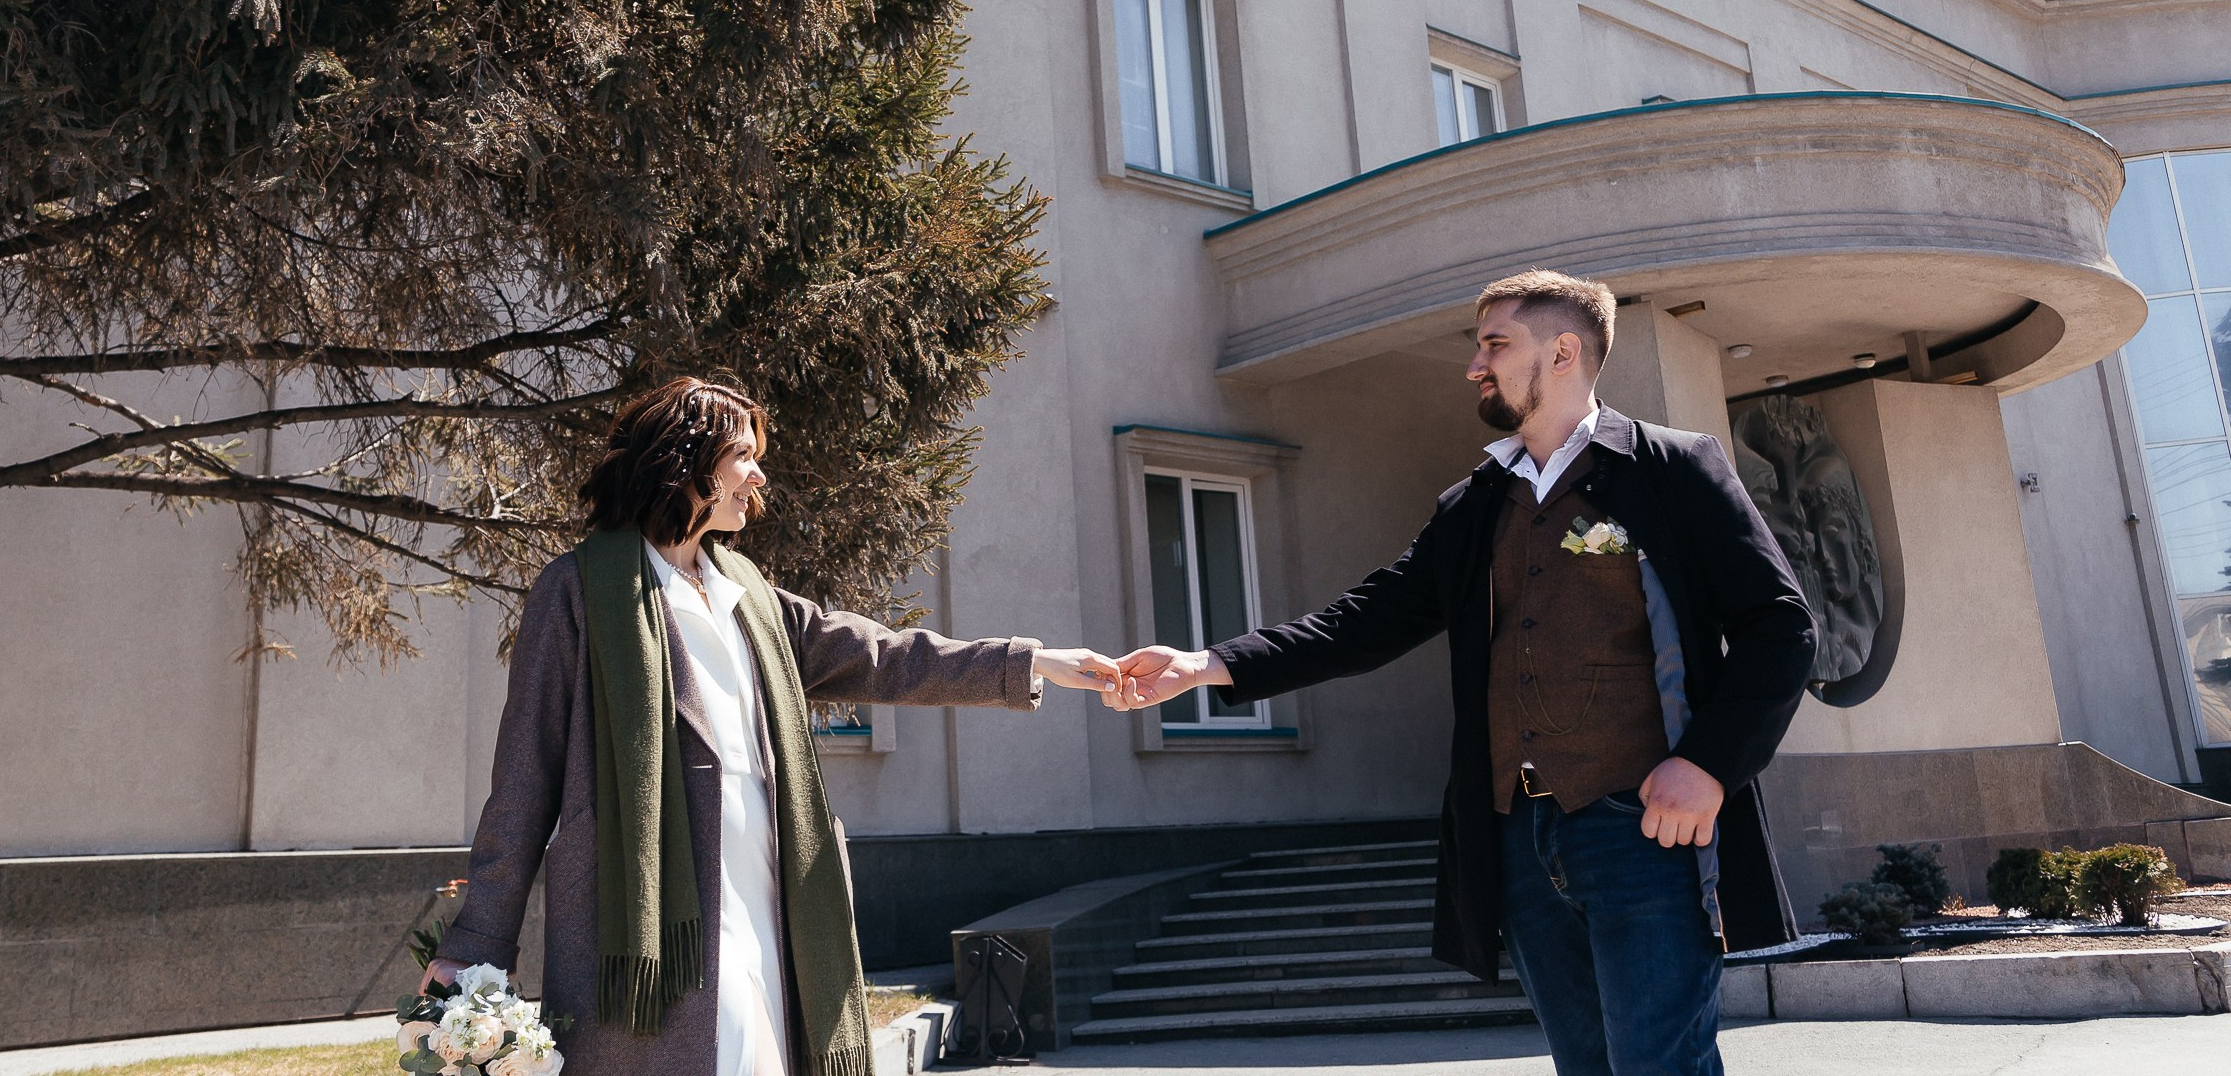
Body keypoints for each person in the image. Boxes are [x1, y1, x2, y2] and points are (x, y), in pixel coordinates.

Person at [1109, 270, 1816, 1076]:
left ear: (1562, 352)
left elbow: (1781, 627)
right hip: (1516, 841)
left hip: (1644, 831)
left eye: (1494, 345)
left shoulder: (1673, 468)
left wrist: (1709, 765)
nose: (1474, 366)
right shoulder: (1474, 503)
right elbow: (1365, 621)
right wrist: (1207, 665)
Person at [425, 377, 1120, 1076]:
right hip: (647, 924)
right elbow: (524, 779)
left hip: (768, 896)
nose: (759, 476)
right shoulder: (577, 591)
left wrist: (1034, 662)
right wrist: (478, 941)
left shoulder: (748, 594)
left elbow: (884, 657)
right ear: (685, 460)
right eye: (743, 456)